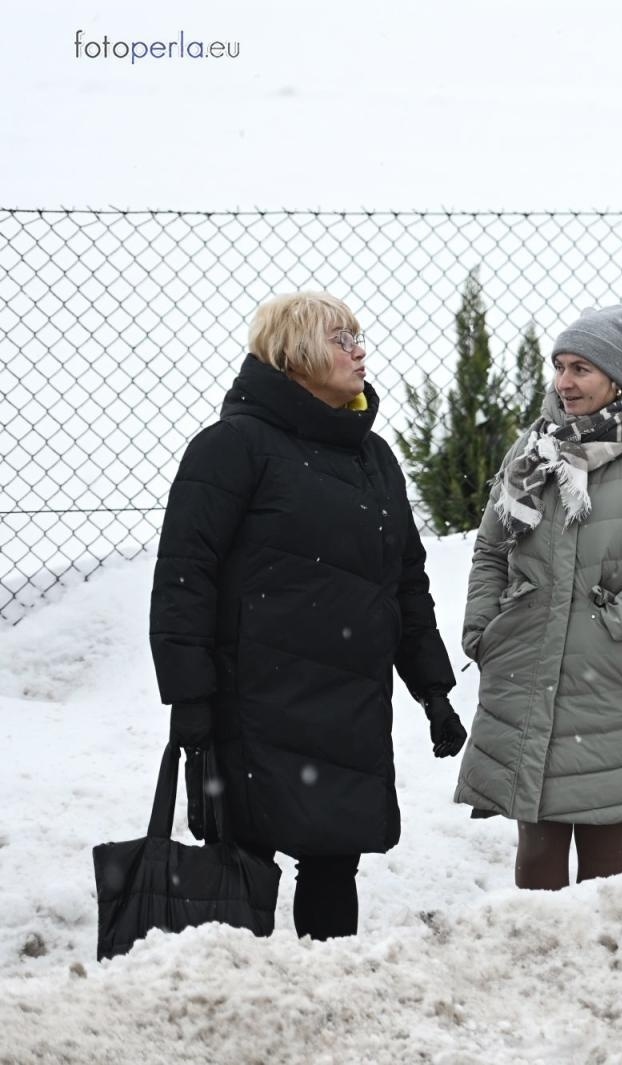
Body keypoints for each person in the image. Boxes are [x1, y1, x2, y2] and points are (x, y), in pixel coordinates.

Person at [149, 291, 468, 941]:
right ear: (293, 354)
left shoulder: (373, 459)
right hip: (252, 699)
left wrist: (433, 688)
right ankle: (238, 1008)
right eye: (339, 339)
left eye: (358, 337)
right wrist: (189, 695)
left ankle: (330, 1005)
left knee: (334, 859)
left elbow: (405, 580)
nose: (359, 350)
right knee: (245, 859)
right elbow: (185, 578)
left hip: (348, 703)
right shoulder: (232, 447)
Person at [454, 305, 622, 890]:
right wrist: (483, 629)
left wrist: (615, 620)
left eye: (582, 370)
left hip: (611, 675)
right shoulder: (534, 448)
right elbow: (492, 548)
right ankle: (535, 972)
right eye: (559, 367)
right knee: (537, 848)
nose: (564, 383)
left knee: (604, 861)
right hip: (526, 663)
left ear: (617, 379)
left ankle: (604, 978)